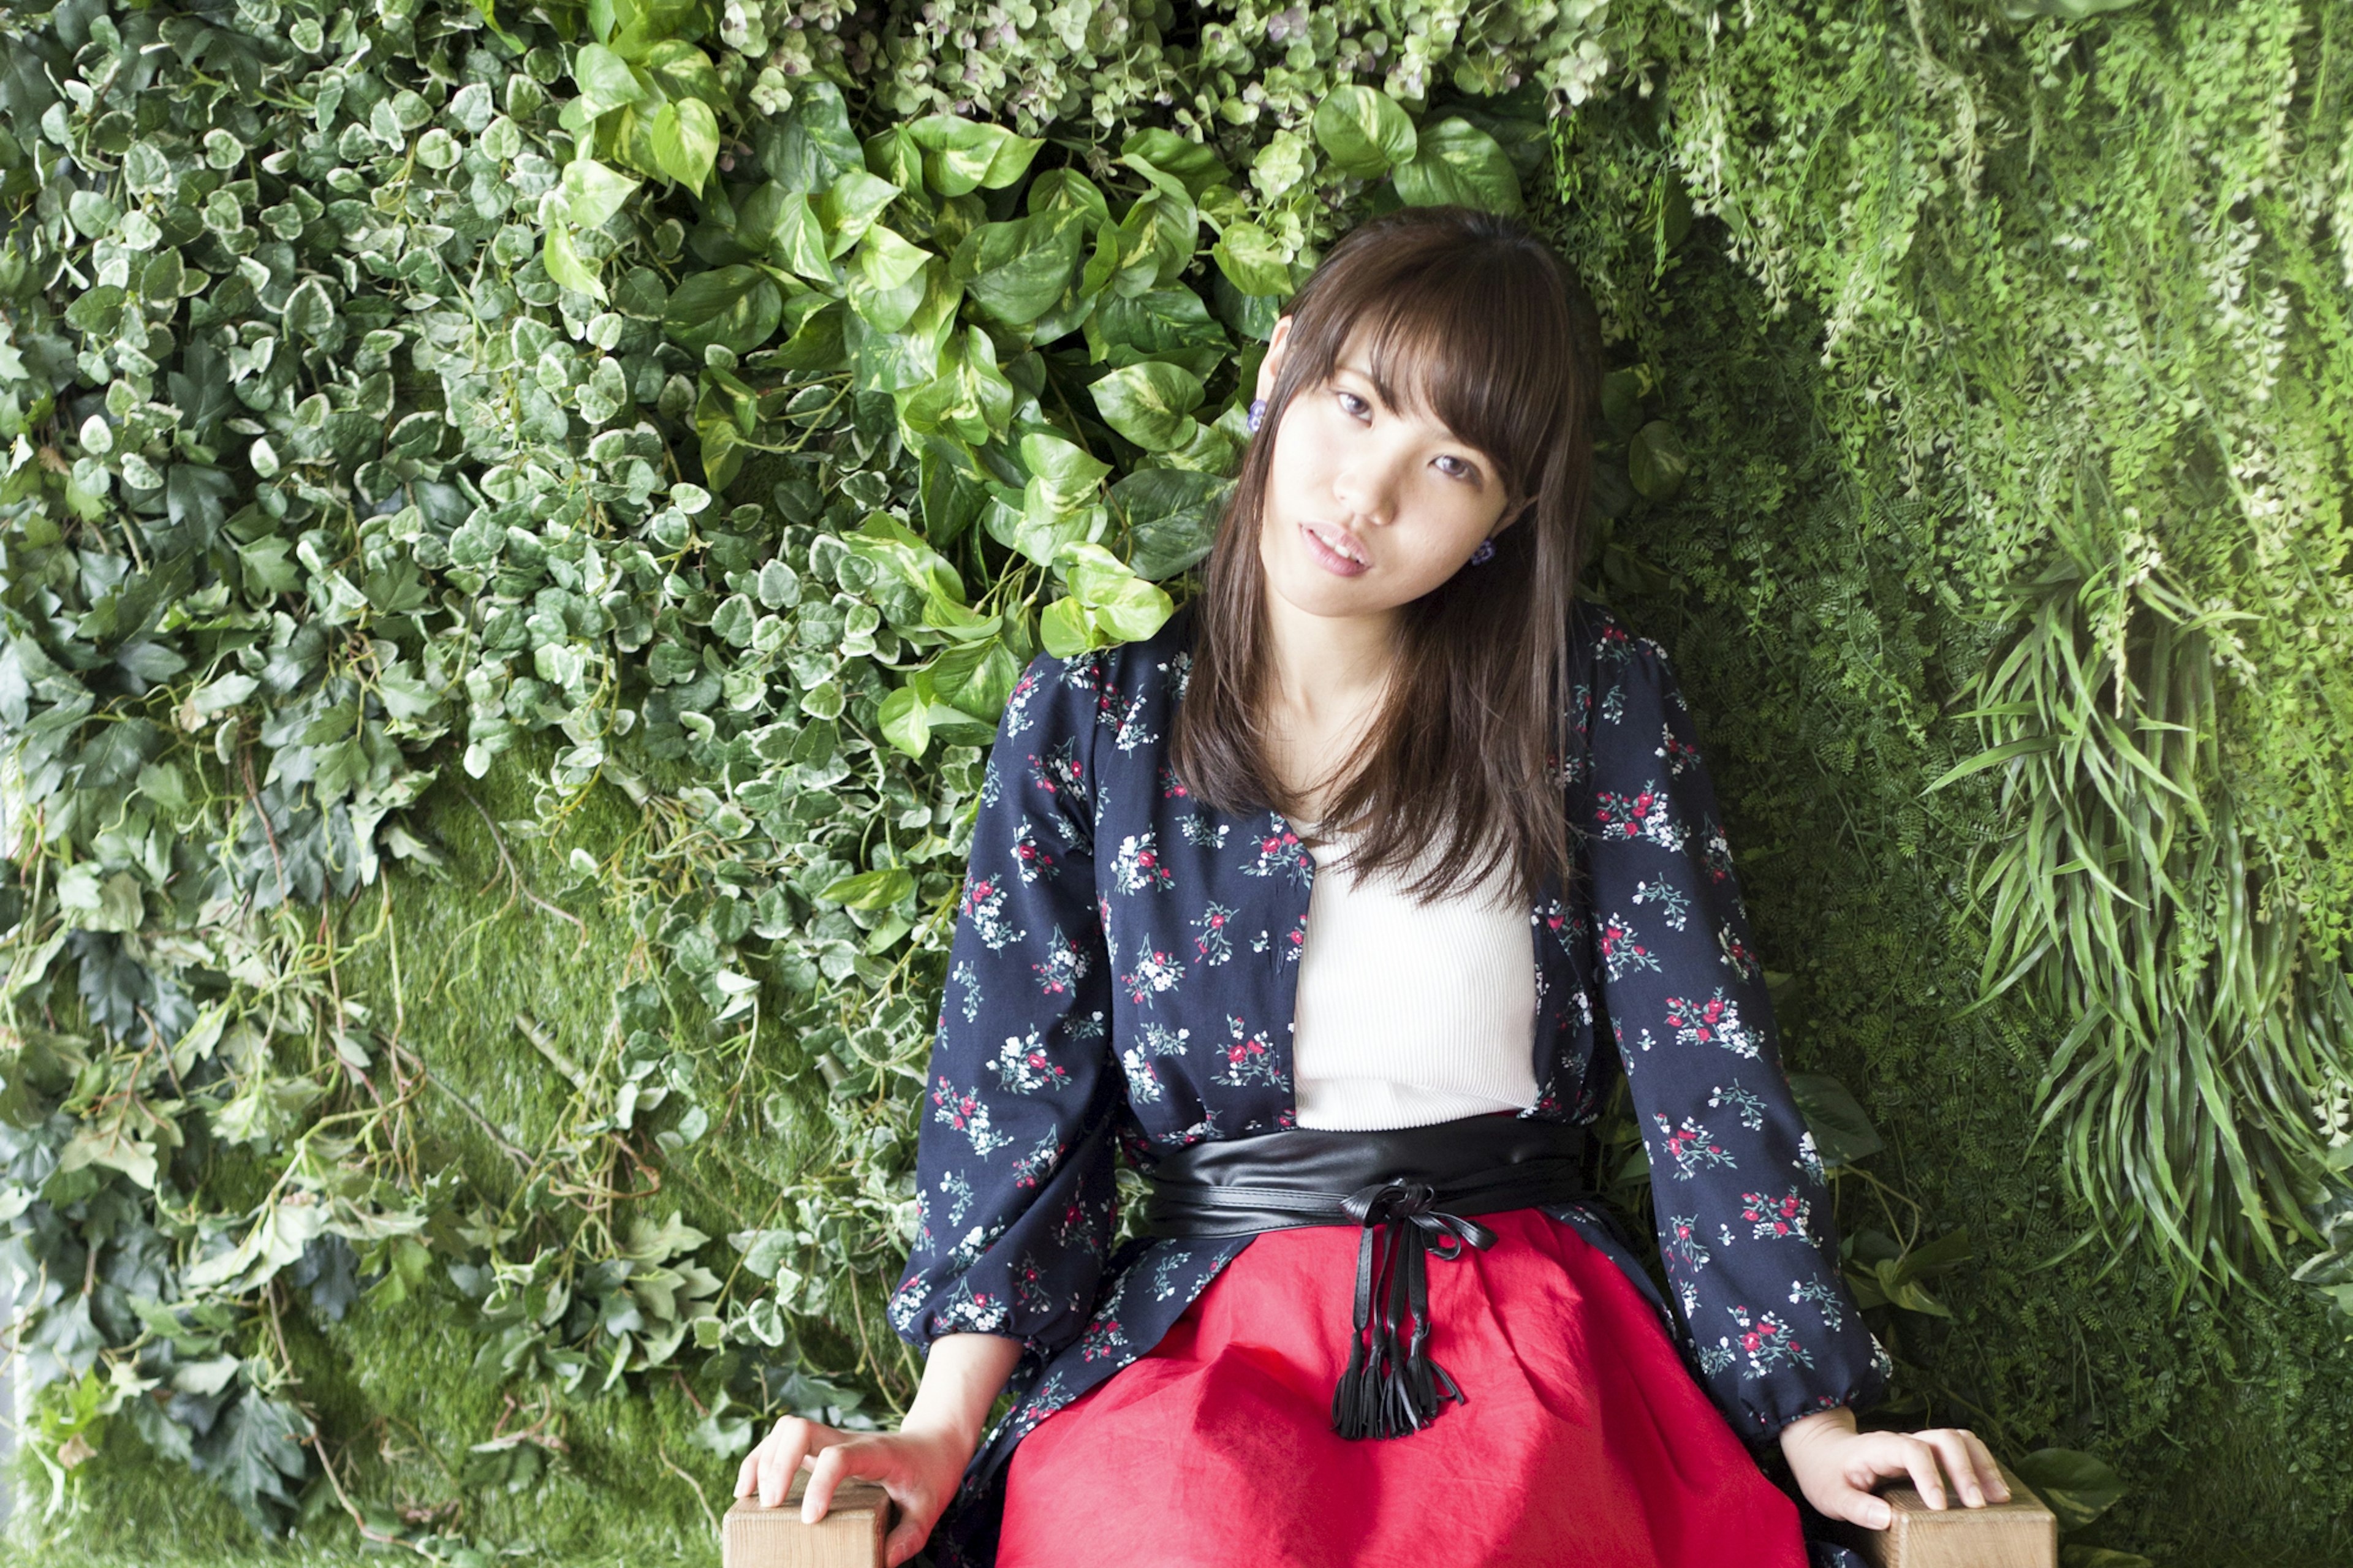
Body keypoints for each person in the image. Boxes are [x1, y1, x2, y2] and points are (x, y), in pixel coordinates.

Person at [733, 203, 2011, 1567]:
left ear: (1509, 512)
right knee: (1183, 1532)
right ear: (1282, 365)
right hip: (1203, 1345)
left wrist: (1809, 1413)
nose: (1367, 494)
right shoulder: (1094, 727)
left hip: (1530, 1335)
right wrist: (938, 1424)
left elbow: (1705, 1070)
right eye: (1354, 403)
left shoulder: (1590, 707)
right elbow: (1012, 1102)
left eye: (1450, 462)